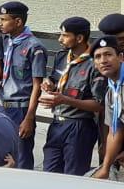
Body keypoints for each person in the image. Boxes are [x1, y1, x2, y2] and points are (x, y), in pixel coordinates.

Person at [40, 17, 104, 175]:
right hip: (57, 124)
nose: (60, 39)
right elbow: (55, 79)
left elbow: (99, 104)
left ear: (80, 38)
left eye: (65, 35)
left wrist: (64, 99)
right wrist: (49, 84)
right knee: (49, 172)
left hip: (79, 126)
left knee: (73, 176)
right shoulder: (62, 56)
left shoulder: (95, 64)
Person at [0, 1, 47, 170]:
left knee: (21, 156)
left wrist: (29, 118)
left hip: (21, 109)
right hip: (2, 106)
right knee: (1, 152)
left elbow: (36, 85)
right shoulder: (5, 41)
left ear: (18, 22)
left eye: (4, 19)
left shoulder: (34, 47)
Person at [91, 37, 123, 181]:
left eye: (108, 54)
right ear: (95, 64)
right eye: (98, 57)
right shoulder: (112, 90)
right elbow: (114, 132)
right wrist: (105, 167)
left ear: (121, 57)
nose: (103, 60)